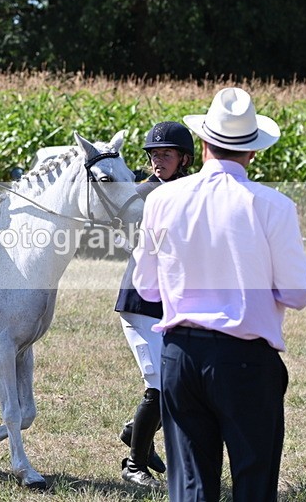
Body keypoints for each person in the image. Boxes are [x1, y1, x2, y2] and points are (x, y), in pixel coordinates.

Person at [132, 87, 306, 501]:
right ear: (252, 152)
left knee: (192, 487)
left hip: (180, 355)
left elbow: (146, 286)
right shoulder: (274, 206)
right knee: (253, 481)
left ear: (202, 144)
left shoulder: (162, 199)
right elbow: (297, 293)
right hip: (246, 359)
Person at [114, 121, 194, 488]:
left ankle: (137, 431)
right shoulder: (143, 195)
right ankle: (133, 466)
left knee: (177, 382)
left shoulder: (190, 192)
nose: (158, 160)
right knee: (161, 386)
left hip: (172, 301)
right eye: (153, 155)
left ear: (184, 159)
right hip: (141, 301)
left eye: (166, 154)